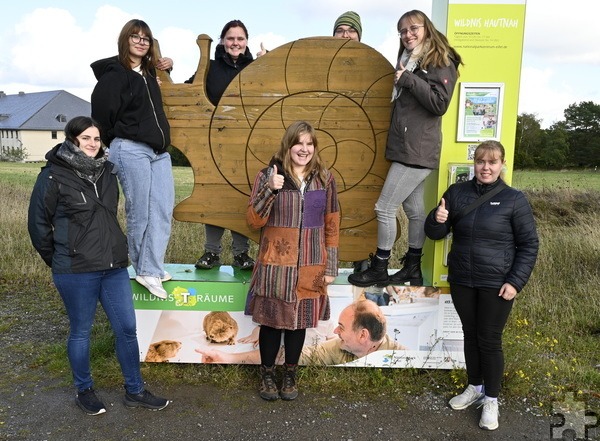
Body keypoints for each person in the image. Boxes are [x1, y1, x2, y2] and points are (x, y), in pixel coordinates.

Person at [27, 116, 169, 415]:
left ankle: (135, 390)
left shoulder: (107, 171)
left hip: (113, 266)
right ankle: (85, 390)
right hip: (76, 269)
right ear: (72, 140)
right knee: (81, 331)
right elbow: (38, 224)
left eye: (96, 138)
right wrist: (59, 259)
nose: (92, 143)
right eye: (85, 138)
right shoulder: (53, 175)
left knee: (127, 328)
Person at [424, 140, 539, 431]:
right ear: (473, 164)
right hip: (463, 279)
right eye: (480, 162)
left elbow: (529, 245)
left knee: (489, 340)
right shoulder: (457, 192)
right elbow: (435, 232)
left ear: (502, 165)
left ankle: (491, 400)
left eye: (492, 162)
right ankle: (474, 387)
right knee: (470, 335)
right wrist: (436, 219)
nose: (485, 167)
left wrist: (515, 282)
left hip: (496, 284)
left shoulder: (515, 199)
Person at [348, 10, 463, 288]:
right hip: (410, 148)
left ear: (427, 29)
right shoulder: (412, 61)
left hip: (416, 151)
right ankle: (412, 266)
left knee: (384, 207)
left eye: (413, 28)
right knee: (413, 211)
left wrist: (408, 80)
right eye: (403, 31)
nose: (408, 34)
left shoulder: (439, 60)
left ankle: (379, 267)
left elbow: (440, 104)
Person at [245, 120, 340, 401]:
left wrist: (331, 265)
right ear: (289, 145)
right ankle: (266, 375)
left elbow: (332, 222)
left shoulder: (325, 179)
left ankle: (290, 374)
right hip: (275, 264)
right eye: (299, 143)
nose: (304, 149)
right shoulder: (269, 174)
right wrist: (269, 190)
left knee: (299, 322)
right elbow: (253, 221)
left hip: (311, 264)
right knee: (272, 322)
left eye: (310, 144)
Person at [90, 19, 174, 300]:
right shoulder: (114, 75)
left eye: (146, 38)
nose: (140, 41)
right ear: (125, 39)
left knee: (162, 209)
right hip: (130, 149)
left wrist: (168, 66)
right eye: (135, 37)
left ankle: (152, 266)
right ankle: (145, 269)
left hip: (159, 153)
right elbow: (101, 114)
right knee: (140, 211)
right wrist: (115, 140)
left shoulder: (149, 75)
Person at [187, 19, 266, 271]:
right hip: (215, 143)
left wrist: (267, 65)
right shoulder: (208, 67)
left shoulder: (256, 67)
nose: (235, 43)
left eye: (240, 38)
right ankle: (211, 253)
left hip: (246, 143)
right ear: (222, 41)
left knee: (242, 195)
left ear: (246, 42)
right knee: (215, 197)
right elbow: (189, 92)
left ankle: (241, 254)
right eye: (230, 38)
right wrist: (166, 71)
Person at [196, 300, 405, 366]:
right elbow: (283, 356)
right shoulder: (334, 348)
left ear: (363, 336)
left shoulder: (404, 358)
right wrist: (227, 357)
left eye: (341, 327)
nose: (335, 330)